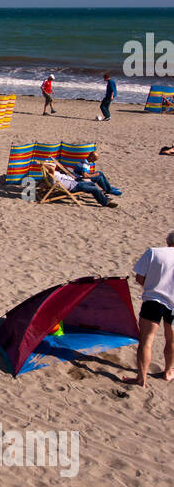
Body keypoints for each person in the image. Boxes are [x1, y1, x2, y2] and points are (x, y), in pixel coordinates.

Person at [127, 233, 174, 387]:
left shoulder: (154, 252)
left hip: (153, 300)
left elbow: (139, 278)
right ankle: (168, 372)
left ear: (167, 241)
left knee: (146, 341)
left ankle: (141, 378)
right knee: (171, 340)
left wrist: (154, 286)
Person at [51, 161, 117, 207]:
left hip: (75, 182)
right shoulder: (52, 175)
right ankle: (105, 203)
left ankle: (104, 197)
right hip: (74, 186)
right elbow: (51, 168)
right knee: (94, 189)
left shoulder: (53, 174)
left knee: (91, 184)